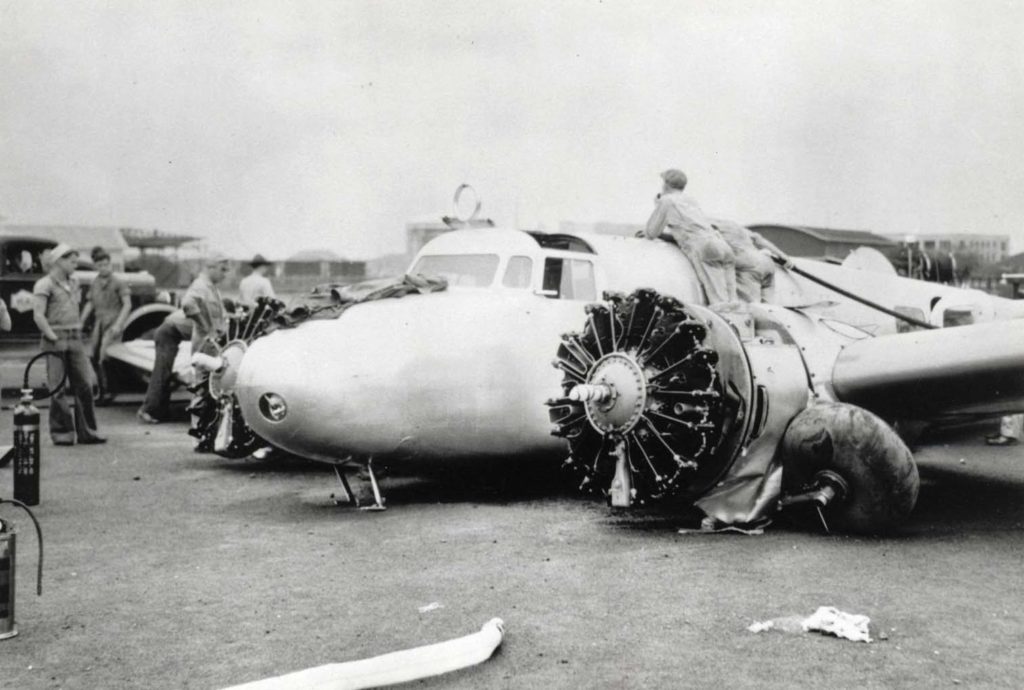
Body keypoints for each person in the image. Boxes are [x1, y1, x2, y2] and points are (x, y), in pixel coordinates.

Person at [32, 243, 106, 445]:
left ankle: (87, 431)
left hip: (74, 339)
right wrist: (51, 336)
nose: (75, 265)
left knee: (85, 385)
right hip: (54, 339)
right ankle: (62, 433)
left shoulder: (74, 282)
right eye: (71, 261)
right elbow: (38, 315)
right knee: (57, 389)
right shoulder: (44, 284)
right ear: (59, 261)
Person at [642, 169, 737, 305]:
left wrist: (658, 204)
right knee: (734, 303)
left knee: (720, 304)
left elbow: (651, 232)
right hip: (723, 246)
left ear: (666, 184)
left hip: (704, 248)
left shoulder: (667, 200)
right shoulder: (691, 200)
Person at [80, 246, 131, 404]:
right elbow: (90, 303)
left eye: (106, 264)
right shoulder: (94, 282)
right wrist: (81, 322)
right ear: (95, 266)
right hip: (99, 322)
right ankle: (101, 390)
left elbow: (127, 304)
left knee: (105, 356)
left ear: (110, 264)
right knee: (92, 356)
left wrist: (118, 325)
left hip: (113, 323)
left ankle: (110, 391)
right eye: (100, 265)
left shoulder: (119, 282)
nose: (103, 268)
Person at [712, 219, 788, 303]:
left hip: (748, 268)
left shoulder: (705, 227)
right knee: (769, 309)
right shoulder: (729, 224)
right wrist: (782, 255)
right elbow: (758, 239)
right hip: (766, 262)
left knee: (751, 308)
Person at [137, 310, 192, 424]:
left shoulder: (204, 308)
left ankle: (160, 411)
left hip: (166, 329)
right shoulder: (209, 319)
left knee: (163, 372)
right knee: (162, 373)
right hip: (167, 333)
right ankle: (149, 410)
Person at [181, 253, 230, 355]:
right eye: (222, 270)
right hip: (203, 347)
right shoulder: (201, 285)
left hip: (213, 346)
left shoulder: (212, 288)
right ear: (211, 268)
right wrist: (207, 329)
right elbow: (187, 304)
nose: (225, 275)